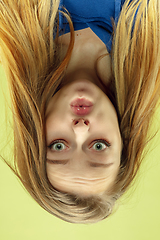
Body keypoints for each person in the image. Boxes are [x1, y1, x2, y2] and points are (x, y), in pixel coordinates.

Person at [0, 0, 160, 223]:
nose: (80, 129)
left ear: (36, 135)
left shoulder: (14, 19)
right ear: (124, 138)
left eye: (59, 145)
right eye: (98, 145)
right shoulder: (151, 31)